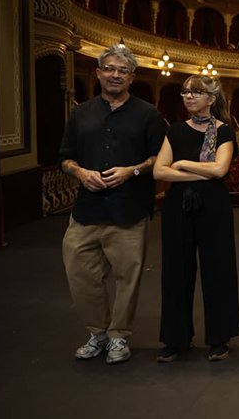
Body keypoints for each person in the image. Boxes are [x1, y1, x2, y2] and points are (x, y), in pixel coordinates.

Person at [59, 43, 165, 364]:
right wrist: (80, 172)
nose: (115, 75)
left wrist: (131, 171)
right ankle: (98, 332)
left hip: (129, 209)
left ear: (132, 78)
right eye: (110, 69)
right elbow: (65, 158)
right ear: (98, 73)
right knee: (80, 273)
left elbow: (160, 157)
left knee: (127, 277)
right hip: (87, 209)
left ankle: (119, 336)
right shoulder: (81, 113)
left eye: (123, 71)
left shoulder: (148, 113)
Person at [153, 75, 239, 362]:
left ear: (211, 99)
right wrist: (199, 171)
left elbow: (220, 169)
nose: (188, 97)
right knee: (176, 271)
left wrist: (182, 164)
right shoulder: (175, 130)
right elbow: (158, 172)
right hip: (178, 205)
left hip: (213, 205)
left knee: (218, 269)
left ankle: (219, 338)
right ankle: (176, 339)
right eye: (185, 92)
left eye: (196, 92)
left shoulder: (224, 131)